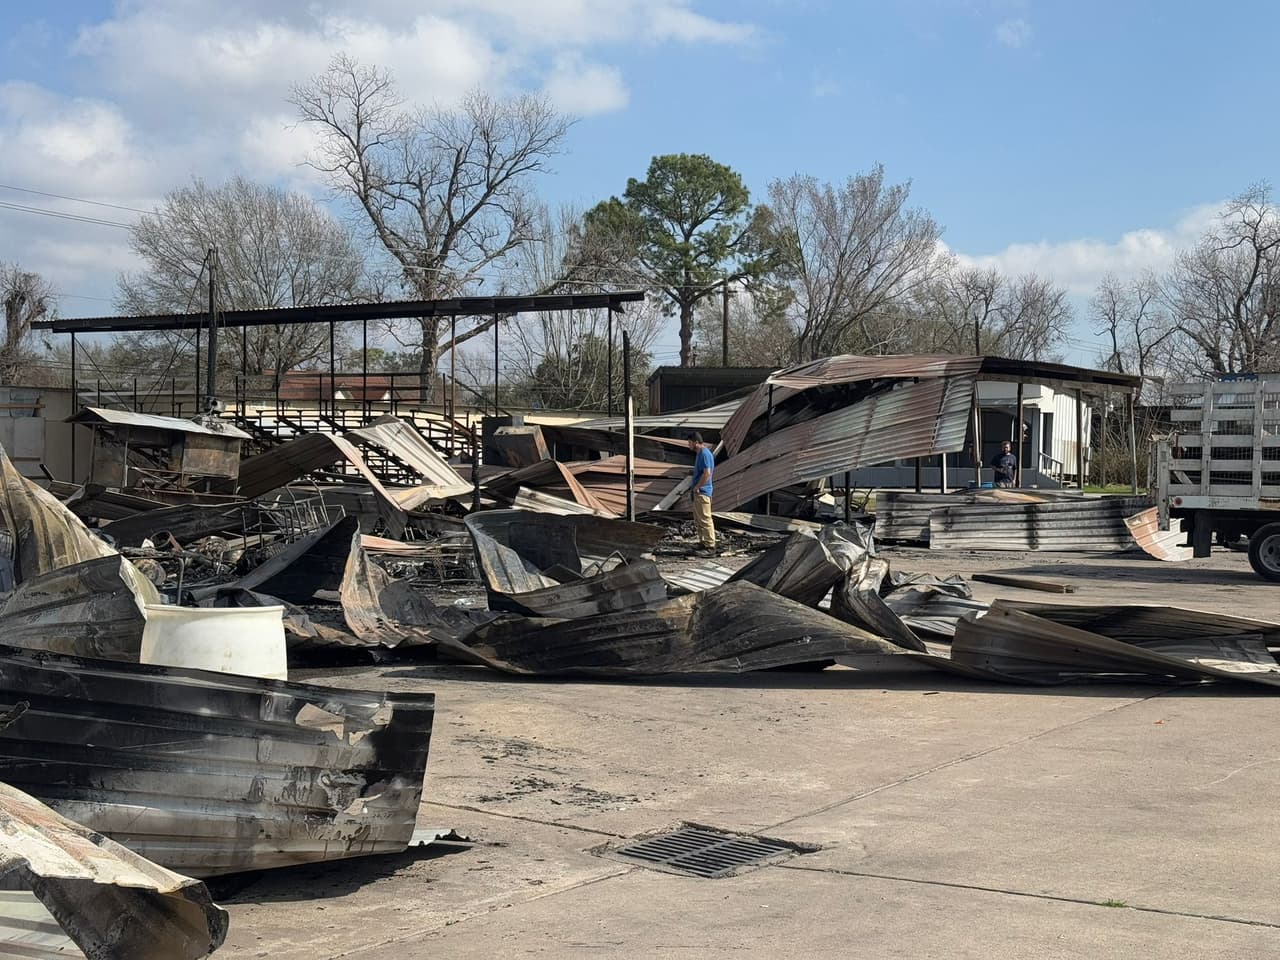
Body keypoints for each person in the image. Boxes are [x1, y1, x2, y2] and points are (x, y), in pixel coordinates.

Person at [687, 432, 717, 555]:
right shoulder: (700, 454)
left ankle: (710, 546)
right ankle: (703, 542)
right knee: (699, 519)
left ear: (696, 442)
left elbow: (707, 473)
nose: (688, 445)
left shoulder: (704, 454)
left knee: (705, 519)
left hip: (702, 492)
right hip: (698, 492)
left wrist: (698, 487)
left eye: (689, 443)